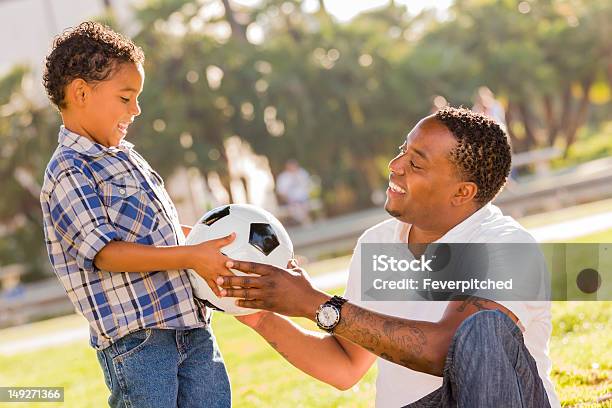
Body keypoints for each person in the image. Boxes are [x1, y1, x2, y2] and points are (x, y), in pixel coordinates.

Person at [217, 107, 560, 407]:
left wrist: (312, 303)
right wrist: (261, 315)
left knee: (482, 328)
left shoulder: (507, 247)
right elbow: (345, 365)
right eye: (402, 151)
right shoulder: (378, 243)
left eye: (416, 163)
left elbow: (448, 350)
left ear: (462, 192)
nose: (395, 167)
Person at [40, 22, 233, 407]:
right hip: (139, 342)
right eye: (126, 98)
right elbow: (107, 253)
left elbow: (157, 232)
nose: (137, 109)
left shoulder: (126, 156)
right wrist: (191, 256)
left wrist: (210, 244)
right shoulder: (68, 171)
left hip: (190, 327)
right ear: (80, 92)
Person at [276, 159, 312, 225]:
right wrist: (289, 200)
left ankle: (304, 222)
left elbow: (308, 186)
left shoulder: (302, 173)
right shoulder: (283, 177)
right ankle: (306, 222)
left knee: (303, 206)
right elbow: (281, 193)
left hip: (304, 199)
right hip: (290, 201)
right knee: (296, 208)